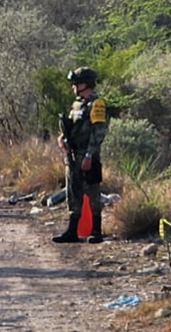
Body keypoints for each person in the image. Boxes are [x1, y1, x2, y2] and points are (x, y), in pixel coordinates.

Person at [52, 66, 109, 244]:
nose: (74, 87)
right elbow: (73, 128)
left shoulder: (97, 104)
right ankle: (72, 230)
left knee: (92, 191)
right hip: (73, 155)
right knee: (73, 192)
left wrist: (89, 155)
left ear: (86, 84)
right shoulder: (77, 104)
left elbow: (99, 132)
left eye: (76, 83)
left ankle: (96, 230)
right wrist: (62, 139)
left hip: (87, 155)